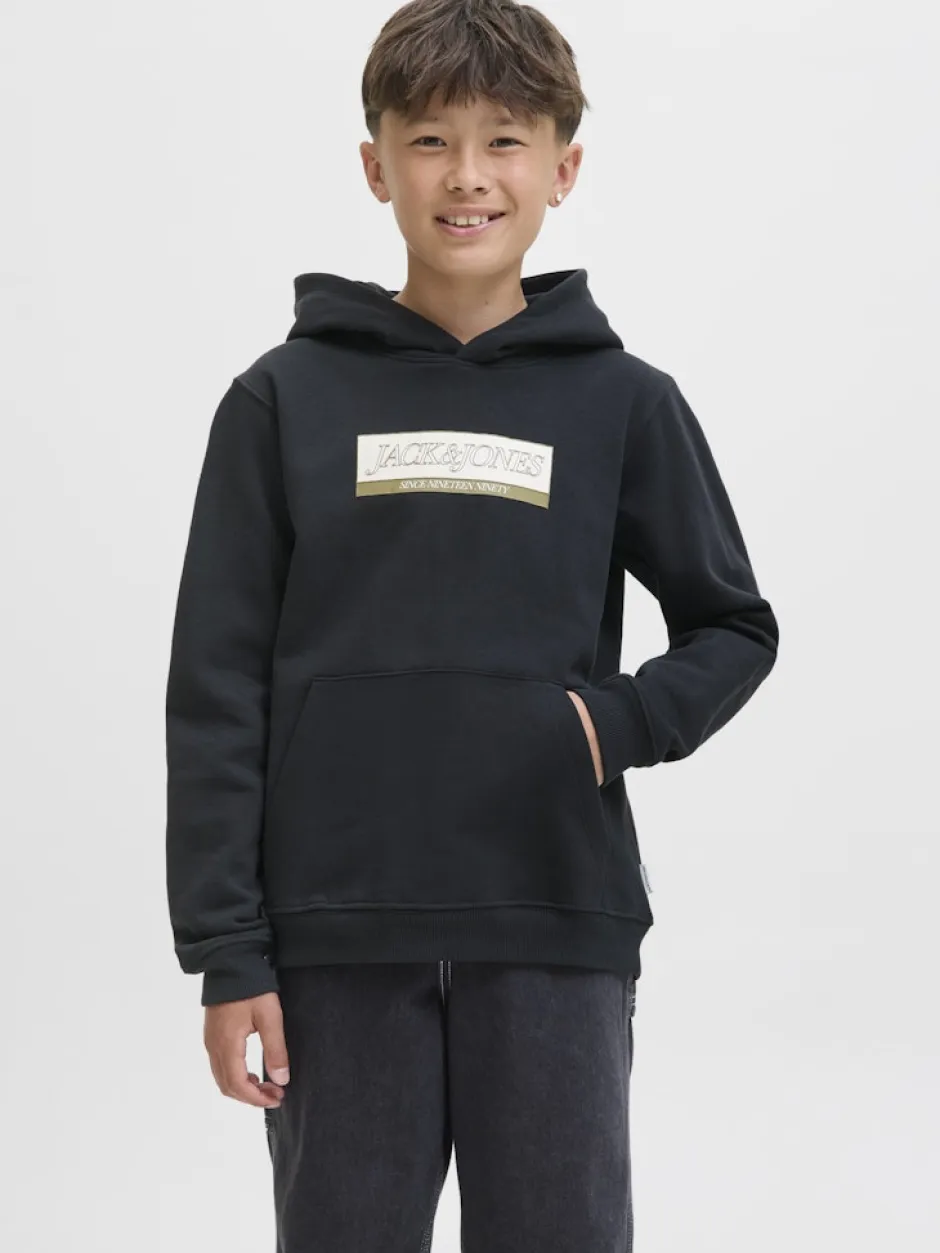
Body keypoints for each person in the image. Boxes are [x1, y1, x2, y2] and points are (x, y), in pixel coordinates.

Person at [164, 1, 779, 1248]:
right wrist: (229, 952)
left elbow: (733, 624)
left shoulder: (623, 402)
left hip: (553, 922)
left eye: (504, 140)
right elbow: (218, 688)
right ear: (375, 164)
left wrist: (609, 725)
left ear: (563, 167)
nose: (466, 176)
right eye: (430, 140)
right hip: (334, 934)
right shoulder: (279, 401)